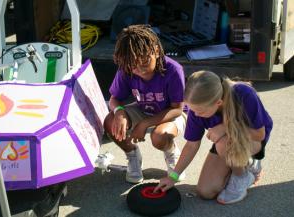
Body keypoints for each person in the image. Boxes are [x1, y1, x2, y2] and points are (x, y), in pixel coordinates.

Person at [155, 70, 273, 204]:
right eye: (193, 110)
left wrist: (224, 127)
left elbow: (259, 134)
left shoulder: (244, 93)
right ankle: (239, 163)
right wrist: (173, 177)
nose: (196, 115)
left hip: (252, 140)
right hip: (225, 141)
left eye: (200, 111)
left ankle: (243, 176)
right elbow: (192, 145)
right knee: (205, 192)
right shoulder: (197, 109)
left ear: (218, 103)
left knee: (223, 144)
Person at [103, 24, 187, 184]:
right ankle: (132, 155)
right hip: (143, 109)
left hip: (170, 114)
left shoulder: (174, 70)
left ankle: (171, 152)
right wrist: (119, 112)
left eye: (144, 61)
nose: (140, 69)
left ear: (156, 50)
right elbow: (114, 99)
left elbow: (177, 109)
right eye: (133, 65)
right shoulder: (126, 69)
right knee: (110, 122)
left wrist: (144, 125)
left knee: (159, 136)